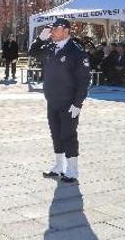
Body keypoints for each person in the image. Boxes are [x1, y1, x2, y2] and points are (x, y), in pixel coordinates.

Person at [28, 18, 90, 184]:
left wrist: (78, 104)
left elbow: (84, 80)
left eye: (55, 29)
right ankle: (58, 166)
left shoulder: (76, 51)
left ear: (66, 30)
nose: (52, 32)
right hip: (53, 100)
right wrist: (40, 38)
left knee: (68, 135)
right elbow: (32, 53)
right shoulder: (50, 47)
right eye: (51, 29)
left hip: (69, 102)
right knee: (56, 134)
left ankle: (72, 170)